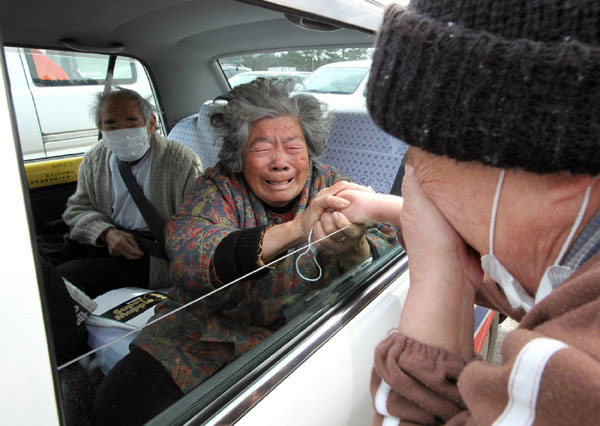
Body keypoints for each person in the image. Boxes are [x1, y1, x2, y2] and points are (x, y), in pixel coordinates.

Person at [328, 1, 600, 425]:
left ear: (562, 165)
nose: (413, 180)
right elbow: (505, 283)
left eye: (419, 157)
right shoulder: (572, 273)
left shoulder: (576, 368)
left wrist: (438, 277)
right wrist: (385, 211)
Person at [93, 78, 397, 424]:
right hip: (200, 334)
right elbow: (190, 253)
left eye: (293, 146)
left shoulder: (334, 187)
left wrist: (352, 246)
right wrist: (297, 229)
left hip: (297, 337)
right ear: (239, 154)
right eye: (262, 147)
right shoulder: (217, 187)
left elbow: (385, 253)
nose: (280, 162)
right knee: (122, 403)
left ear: (309, 150)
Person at [44, 87, 203, 297]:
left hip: (152, 255)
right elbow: (77, 209)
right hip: (106, 239)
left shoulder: (180, 161)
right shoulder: (95, 158)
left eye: (131, 121)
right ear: (100, 127)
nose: (122, 130)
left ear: (151, 124)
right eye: (111, 123)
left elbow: (198, 224)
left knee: (64, 278)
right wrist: (105, 233)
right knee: (37, 264)